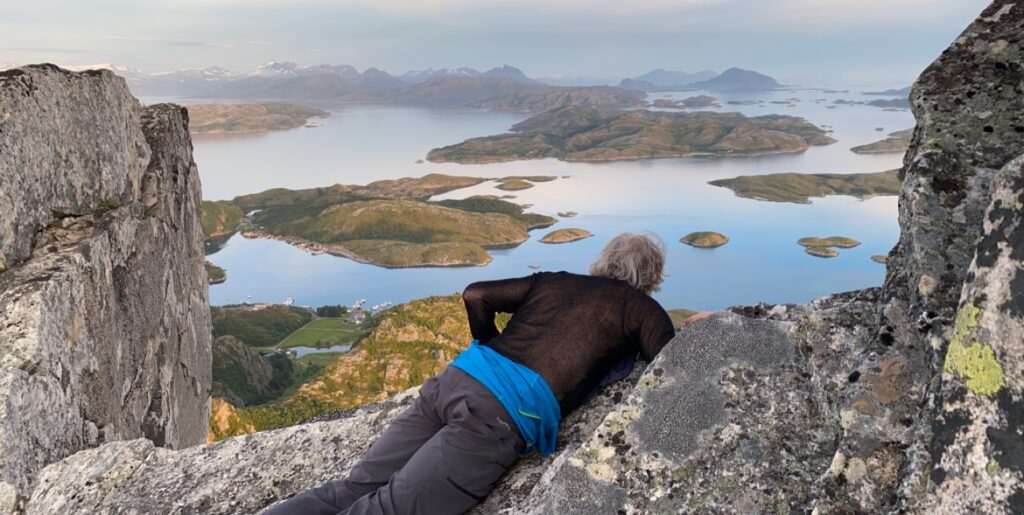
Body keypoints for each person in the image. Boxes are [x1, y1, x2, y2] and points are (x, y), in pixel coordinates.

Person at [266, 232, 699, 515]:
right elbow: (671, 363)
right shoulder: (641, 310)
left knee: (352, 488)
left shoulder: (555, 280)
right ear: (652, 278)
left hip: (454, 380)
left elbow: (476, 295)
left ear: (603, 261)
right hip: (495, 417)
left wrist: (488, 343)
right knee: (390, 510)